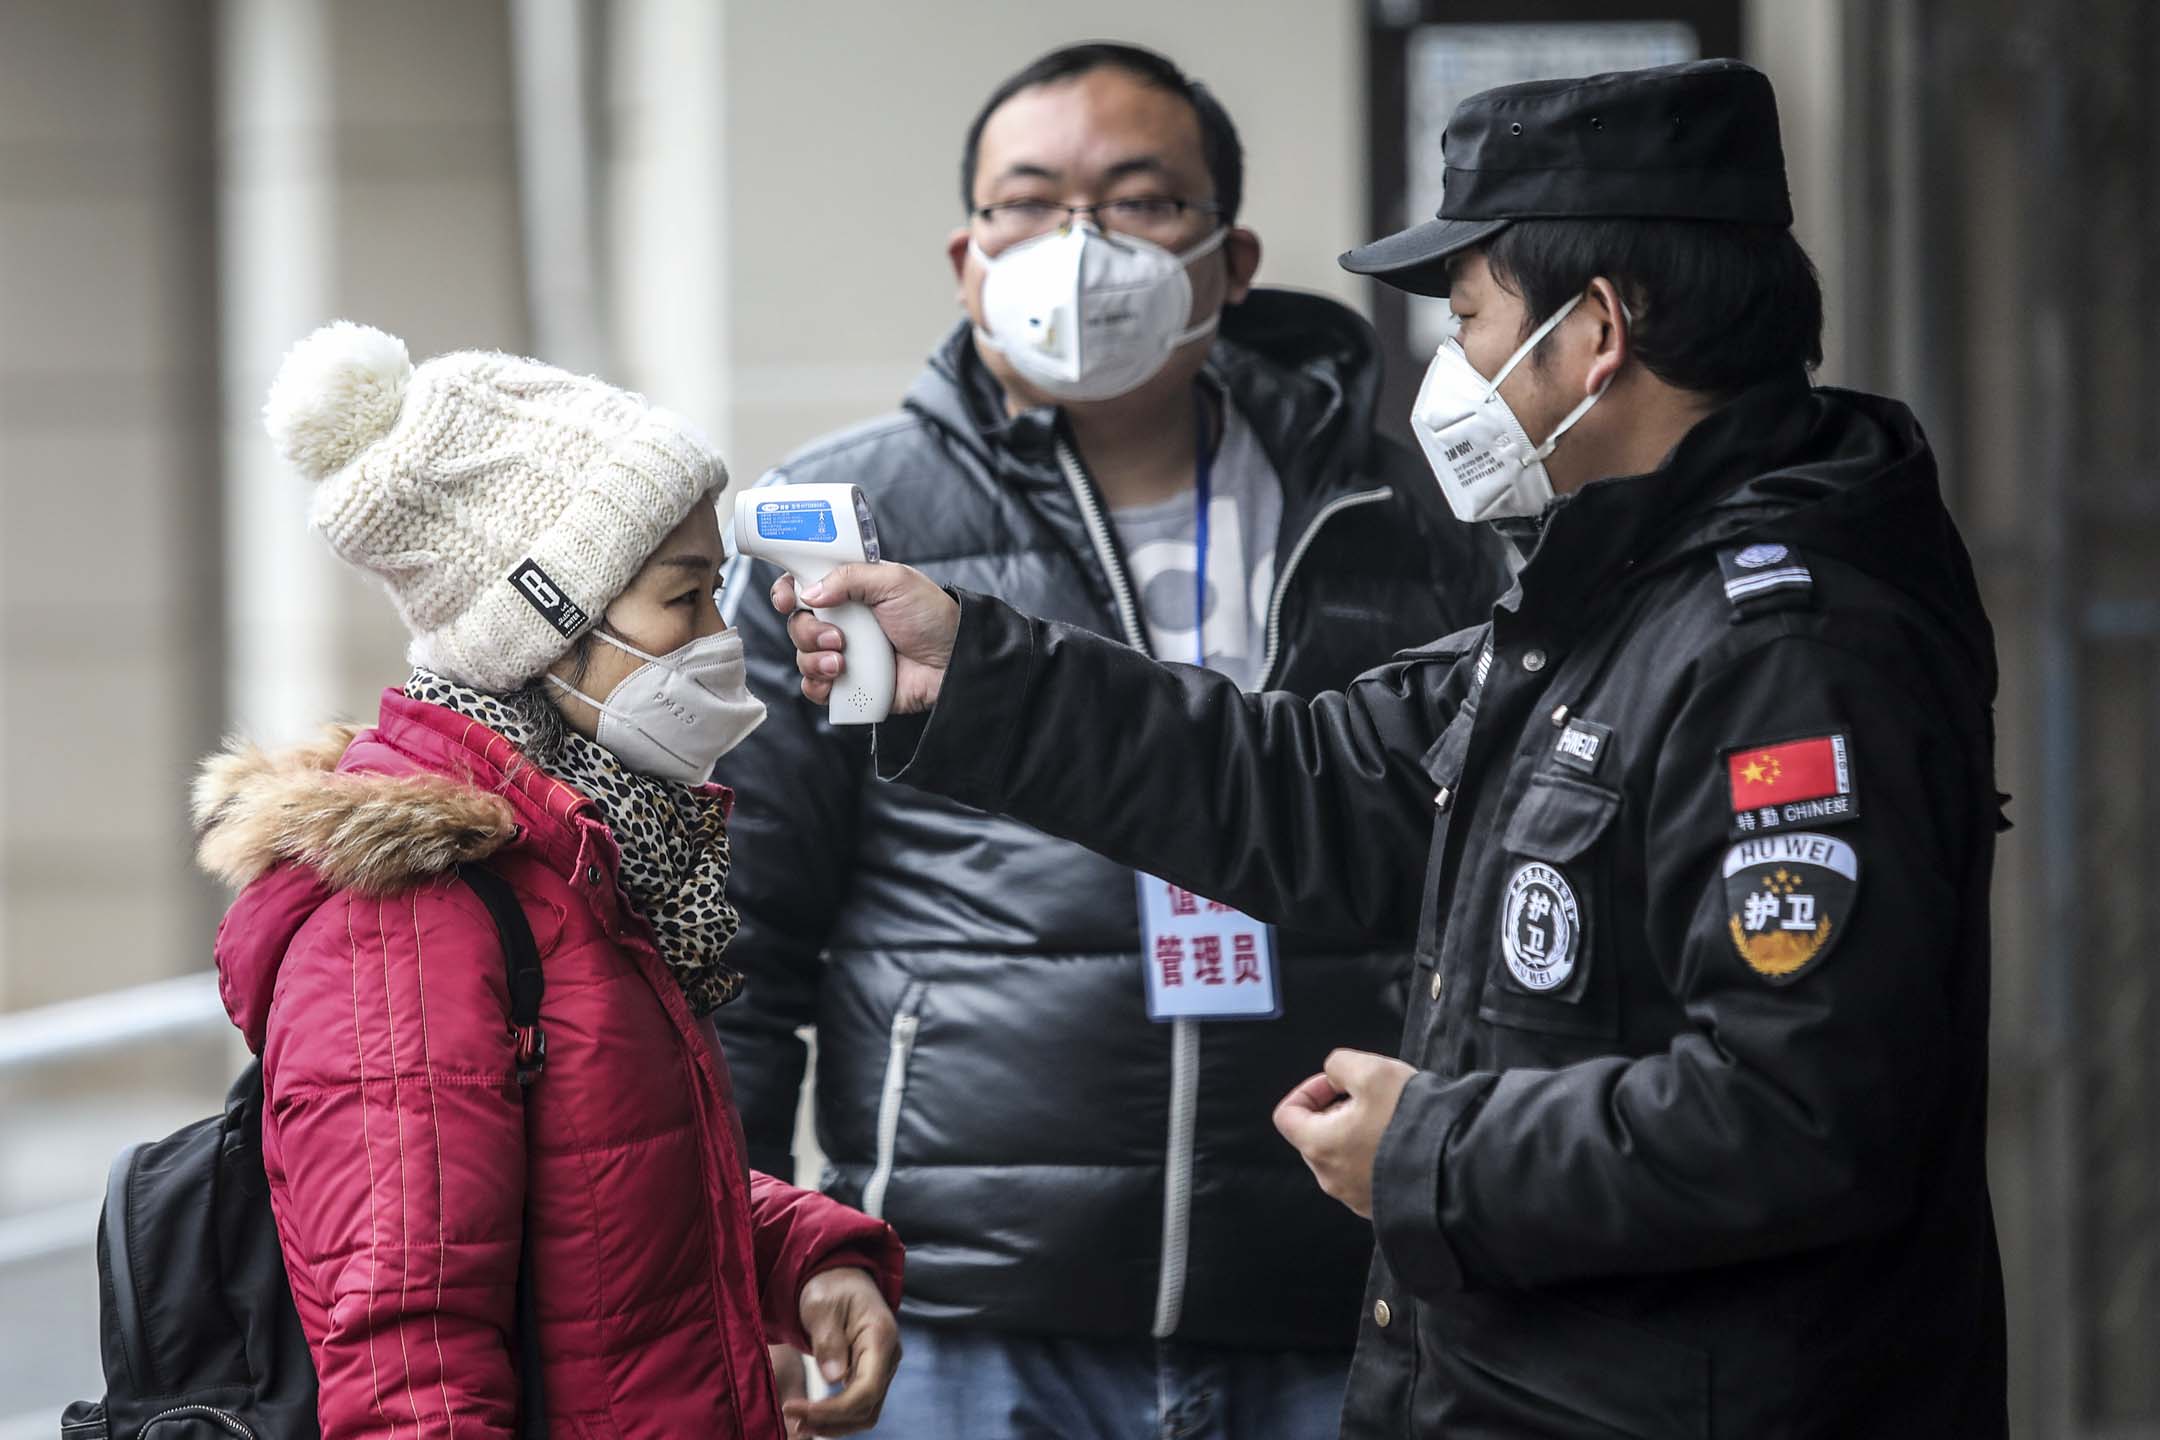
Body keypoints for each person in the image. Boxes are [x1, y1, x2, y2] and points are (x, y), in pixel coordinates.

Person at [772, 59, 2008, 1439]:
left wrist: (1427, 1151)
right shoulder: (1604, 598)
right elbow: (1321, 784)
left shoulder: (1786, 651)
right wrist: (972, 674)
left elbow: (1796, 1113)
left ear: (1594, 333)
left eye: (1472, 317)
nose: (1451, 371)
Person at [711, 40, 1506, 1439]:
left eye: (1140, 201)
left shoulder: (1416, 522)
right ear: (969, 256)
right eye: (1027, 204)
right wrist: (758, 1258)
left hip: (1344, 1303)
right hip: (962, 1315)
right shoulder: (839, 524)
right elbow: (738, 936)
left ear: (1233, 255)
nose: (1076, 247)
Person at [195, 322, 906, 1439]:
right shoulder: (410, 916)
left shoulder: (573, 857)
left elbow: (604, 1190)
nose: (720, 637)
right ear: (544, 626)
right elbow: (408, 1366)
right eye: (684, 598)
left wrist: (802, 1260)